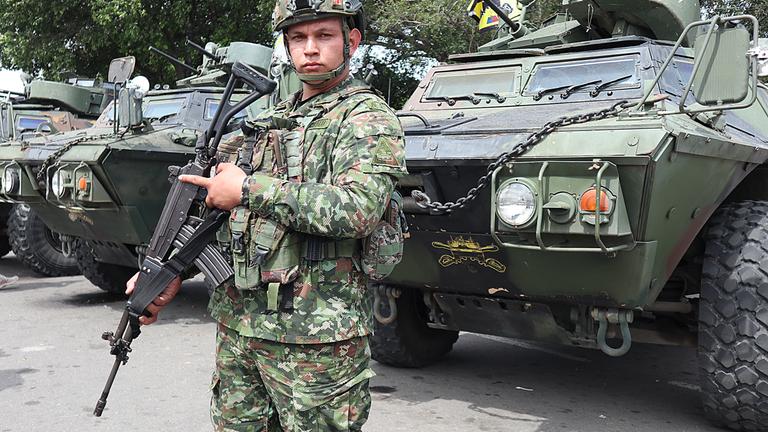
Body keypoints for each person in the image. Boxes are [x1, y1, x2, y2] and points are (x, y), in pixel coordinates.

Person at [127, 0, 407, 430]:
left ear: (352, 41)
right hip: (240, 327)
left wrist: (246, 188)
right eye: (298, 38)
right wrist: (164, 275)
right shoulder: (268, 120)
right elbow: (212, 217)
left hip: (316, 339)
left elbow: (359, 210)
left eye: (324, 36)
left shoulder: (366, 119)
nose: (309, 49)